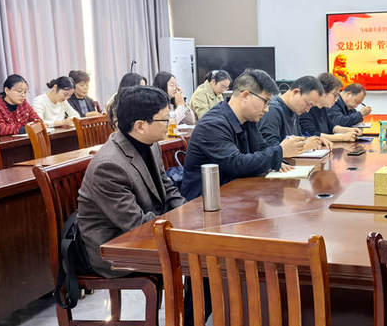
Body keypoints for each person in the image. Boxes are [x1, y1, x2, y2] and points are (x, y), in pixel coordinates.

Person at [77, 86, 186, 278]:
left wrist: (187, 214)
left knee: (205, 248)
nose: (169, 123)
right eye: (165, 119)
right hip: (115, 246)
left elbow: (167, 186)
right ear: (140, 126)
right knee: (200, 255)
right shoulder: (108, 166)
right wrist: (179, 230)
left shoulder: (151, 144)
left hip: (145, 228)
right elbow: (134, 223)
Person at [181, 69, 305, 200]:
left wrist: (277, 160)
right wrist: (279, 152)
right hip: (206, 202)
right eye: (265, 102)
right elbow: (237, 164)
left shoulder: (248, 120)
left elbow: (262, 148)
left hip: (236, 195)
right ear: (245, 95)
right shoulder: (212, 125)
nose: (267, 109)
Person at [258, 75, 329, 150]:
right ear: (296, 92)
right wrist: (304, 146)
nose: (308, 110)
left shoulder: (294, 110)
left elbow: (296, 137)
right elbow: (270, 148)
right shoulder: (272, 110)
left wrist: (315, 140)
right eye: (308, 104)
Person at [299, 73, 362, 143]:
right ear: (323, 92)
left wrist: (349, 130)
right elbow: (311, 134)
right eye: (335, 95)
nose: (336, 100)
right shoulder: (306, 108)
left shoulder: (322, 107)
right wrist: (343, 137)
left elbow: (331, 127)